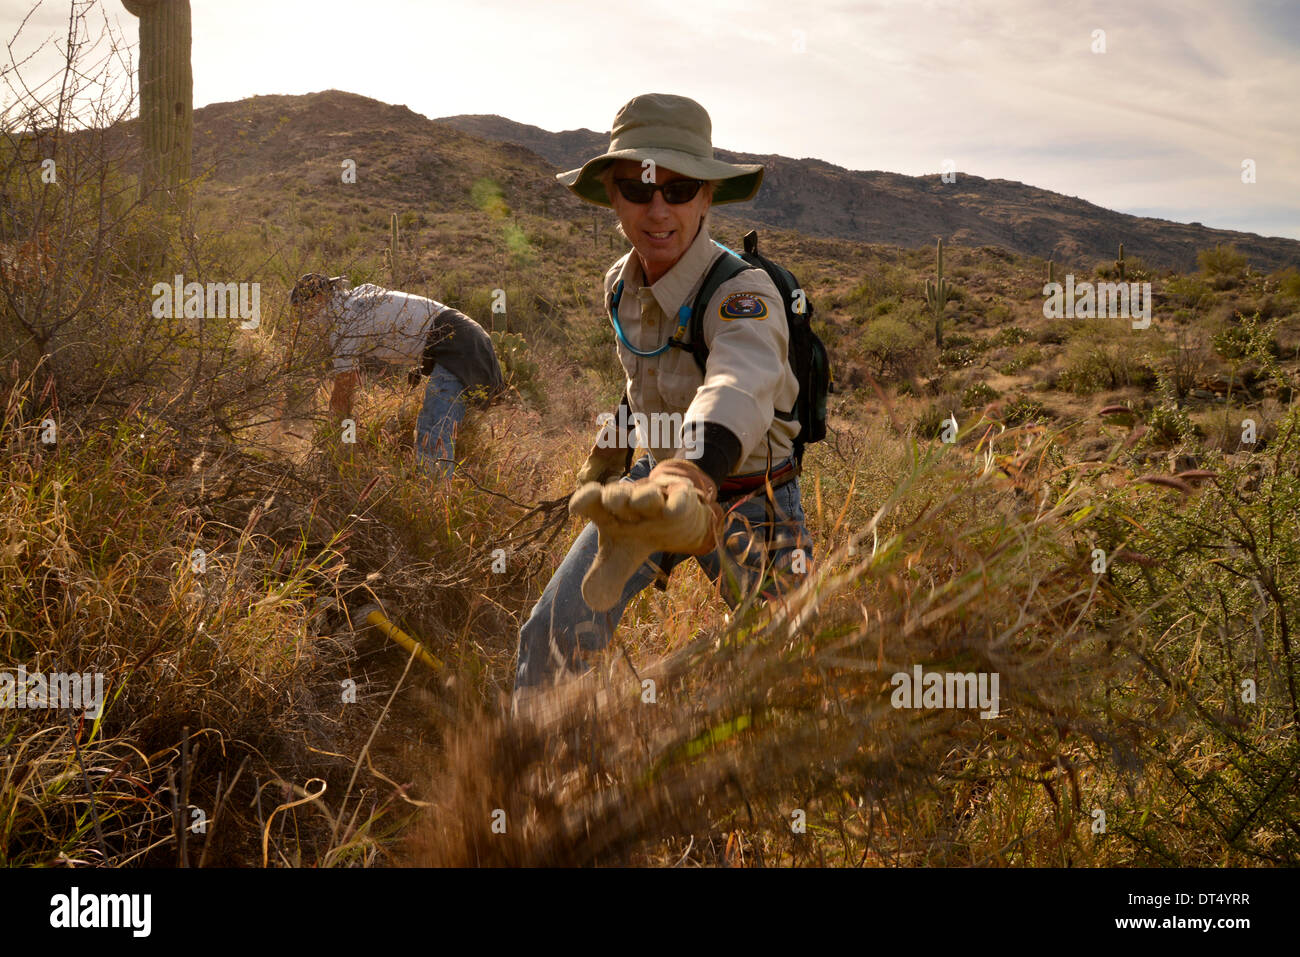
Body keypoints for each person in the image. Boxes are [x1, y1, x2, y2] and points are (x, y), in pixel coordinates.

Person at [513, 93, 813, 696]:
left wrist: (688, 478)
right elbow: (645, 385)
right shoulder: (619, 286)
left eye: (678, 191)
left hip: (752, 500)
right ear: (612, 198)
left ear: (706, 196)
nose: (657, 210)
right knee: (549, 638)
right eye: (637, 190)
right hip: (649, 489)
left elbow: (738, 385)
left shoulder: (742, 292)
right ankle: (527, 777)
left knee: (791, 671)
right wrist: (610, 455)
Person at [287, 274, 506, 477]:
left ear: (320, 297)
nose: (306, 319)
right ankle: (431, 491)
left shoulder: (346, 322)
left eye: (305, 310)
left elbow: (344, 389)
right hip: (464, 335)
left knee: (435, 430)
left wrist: (336, 437)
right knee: (430, 426)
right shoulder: (357, 297)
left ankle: (433, 499)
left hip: (457, 343)